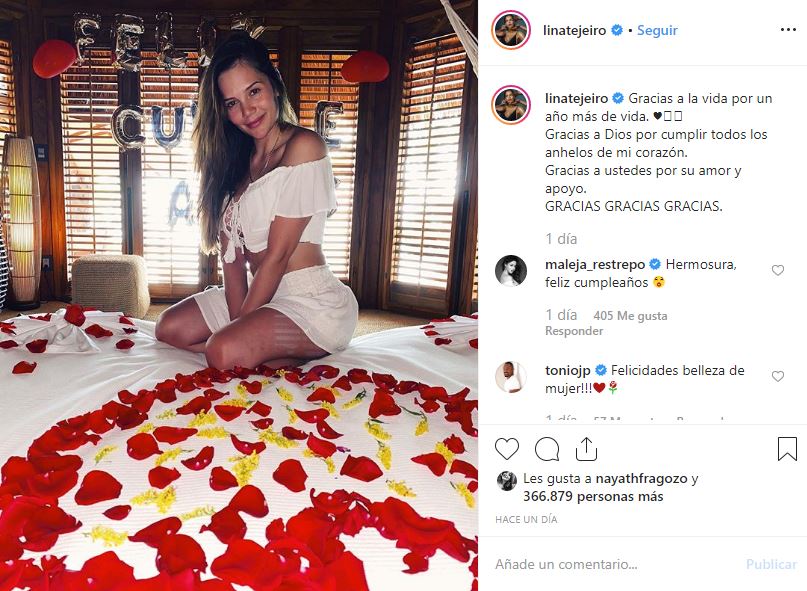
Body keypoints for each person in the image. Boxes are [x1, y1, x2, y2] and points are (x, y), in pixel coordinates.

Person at [155, 31, 358, 370]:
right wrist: (237, 324)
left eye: (254, 91)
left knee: (222, 351)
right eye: (232, 103)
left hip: (310, 301)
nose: (247, 110)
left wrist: (231, 334)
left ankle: (289, 349)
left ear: (274, 83)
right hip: (257, 291)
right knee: (169, 327)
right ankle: (260, 352)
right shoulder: (232, 163)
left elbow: (277, 256)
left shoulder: (304, 147)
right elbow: (232, 262)